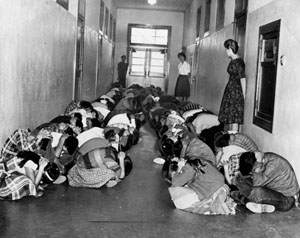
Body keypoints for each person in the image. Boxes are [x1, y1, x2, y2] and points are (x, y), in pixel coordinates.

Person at [218, 39, 246, 132]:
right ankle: (230, 138)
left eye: (227, 49)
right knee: (230, 117)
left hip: (236, 91)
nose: (226, 51)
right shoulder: (233, 60)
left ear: (230, 49)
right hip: (231, 89)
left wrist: (244, 95)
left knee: (234, 118)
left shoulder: (239, 62)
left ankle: (234, 140)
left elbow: (242, 78)